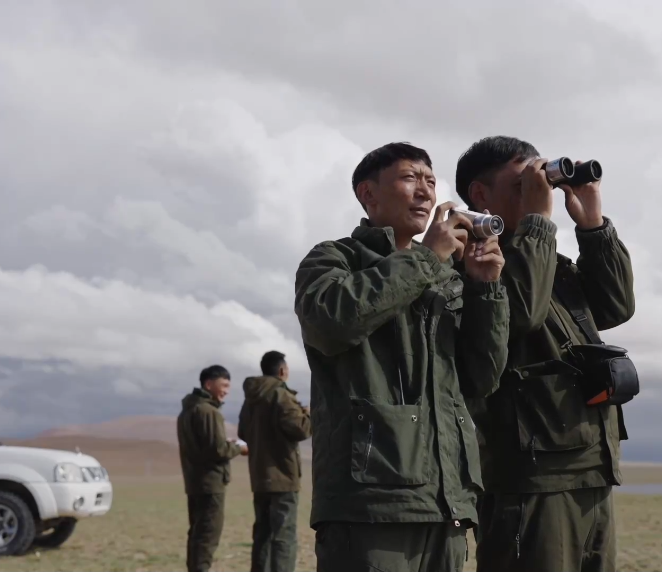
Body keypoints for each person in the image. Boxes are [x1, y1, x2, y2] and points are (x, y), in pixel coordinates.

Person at [294, 142, 511, 572]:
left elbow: (482, 378)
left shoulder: (448, 276)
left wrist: (486, 288)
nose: (425, 191)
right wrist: (426, 257)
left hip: (447, 502)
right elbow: (330, 323)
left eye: (430, 181)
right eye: (410, 178)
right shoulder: (336, 258)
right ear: (368, 193)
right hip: (371, 503)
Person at [454, 136, 636, 572]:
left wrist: (592, 225)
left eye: (540, 182)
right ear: (480, 194)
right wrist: (537, 223)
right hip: (530, 478)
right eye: (522, 184)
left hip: (589, 466)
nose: (539, 192)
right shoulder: (470, 260)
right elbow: (520, 317)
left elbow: (615, 306)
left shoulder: (544, 259)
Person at [238, 350, 312, 572]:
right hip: (283, 477)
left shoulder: (251, 398)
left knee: (262, 534)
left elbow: (242, 432)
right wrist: (309, 414)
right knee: (283, 537)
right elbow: (301, 429)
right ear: (282, 370)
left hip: (260, 476)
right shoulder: (281, 395)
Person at [177, 364, 248, 572]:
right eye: (223, 385)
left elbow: (205, 446)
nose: (226, 391)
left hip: (195, 481)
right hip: (210, 483)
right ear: (209, 384)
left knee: (197, 533)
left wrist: (225, 444)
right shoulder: (208, 412)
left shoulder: (188, 410)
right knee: (208, 535)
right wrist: (239, 448)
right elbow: (218, 450)